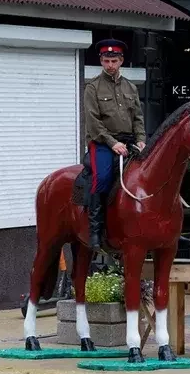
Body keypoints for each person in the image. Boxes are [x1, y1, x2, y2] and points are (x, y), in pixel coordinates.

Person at [84, 38, 147, 251]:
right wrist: (112, 143)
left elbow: (138, 117)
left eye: (114, 60)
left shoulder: (131, 87)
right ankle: (95, 231)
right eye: (106, 60)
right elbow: (93, 123)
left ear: (121, 61)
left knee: (150, 175)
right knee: (101, 179)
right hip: (102, 142)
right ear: (101, 61)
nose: (110, 64)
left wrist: (141, 139)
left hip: (129, 141)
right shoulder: (92, 87)